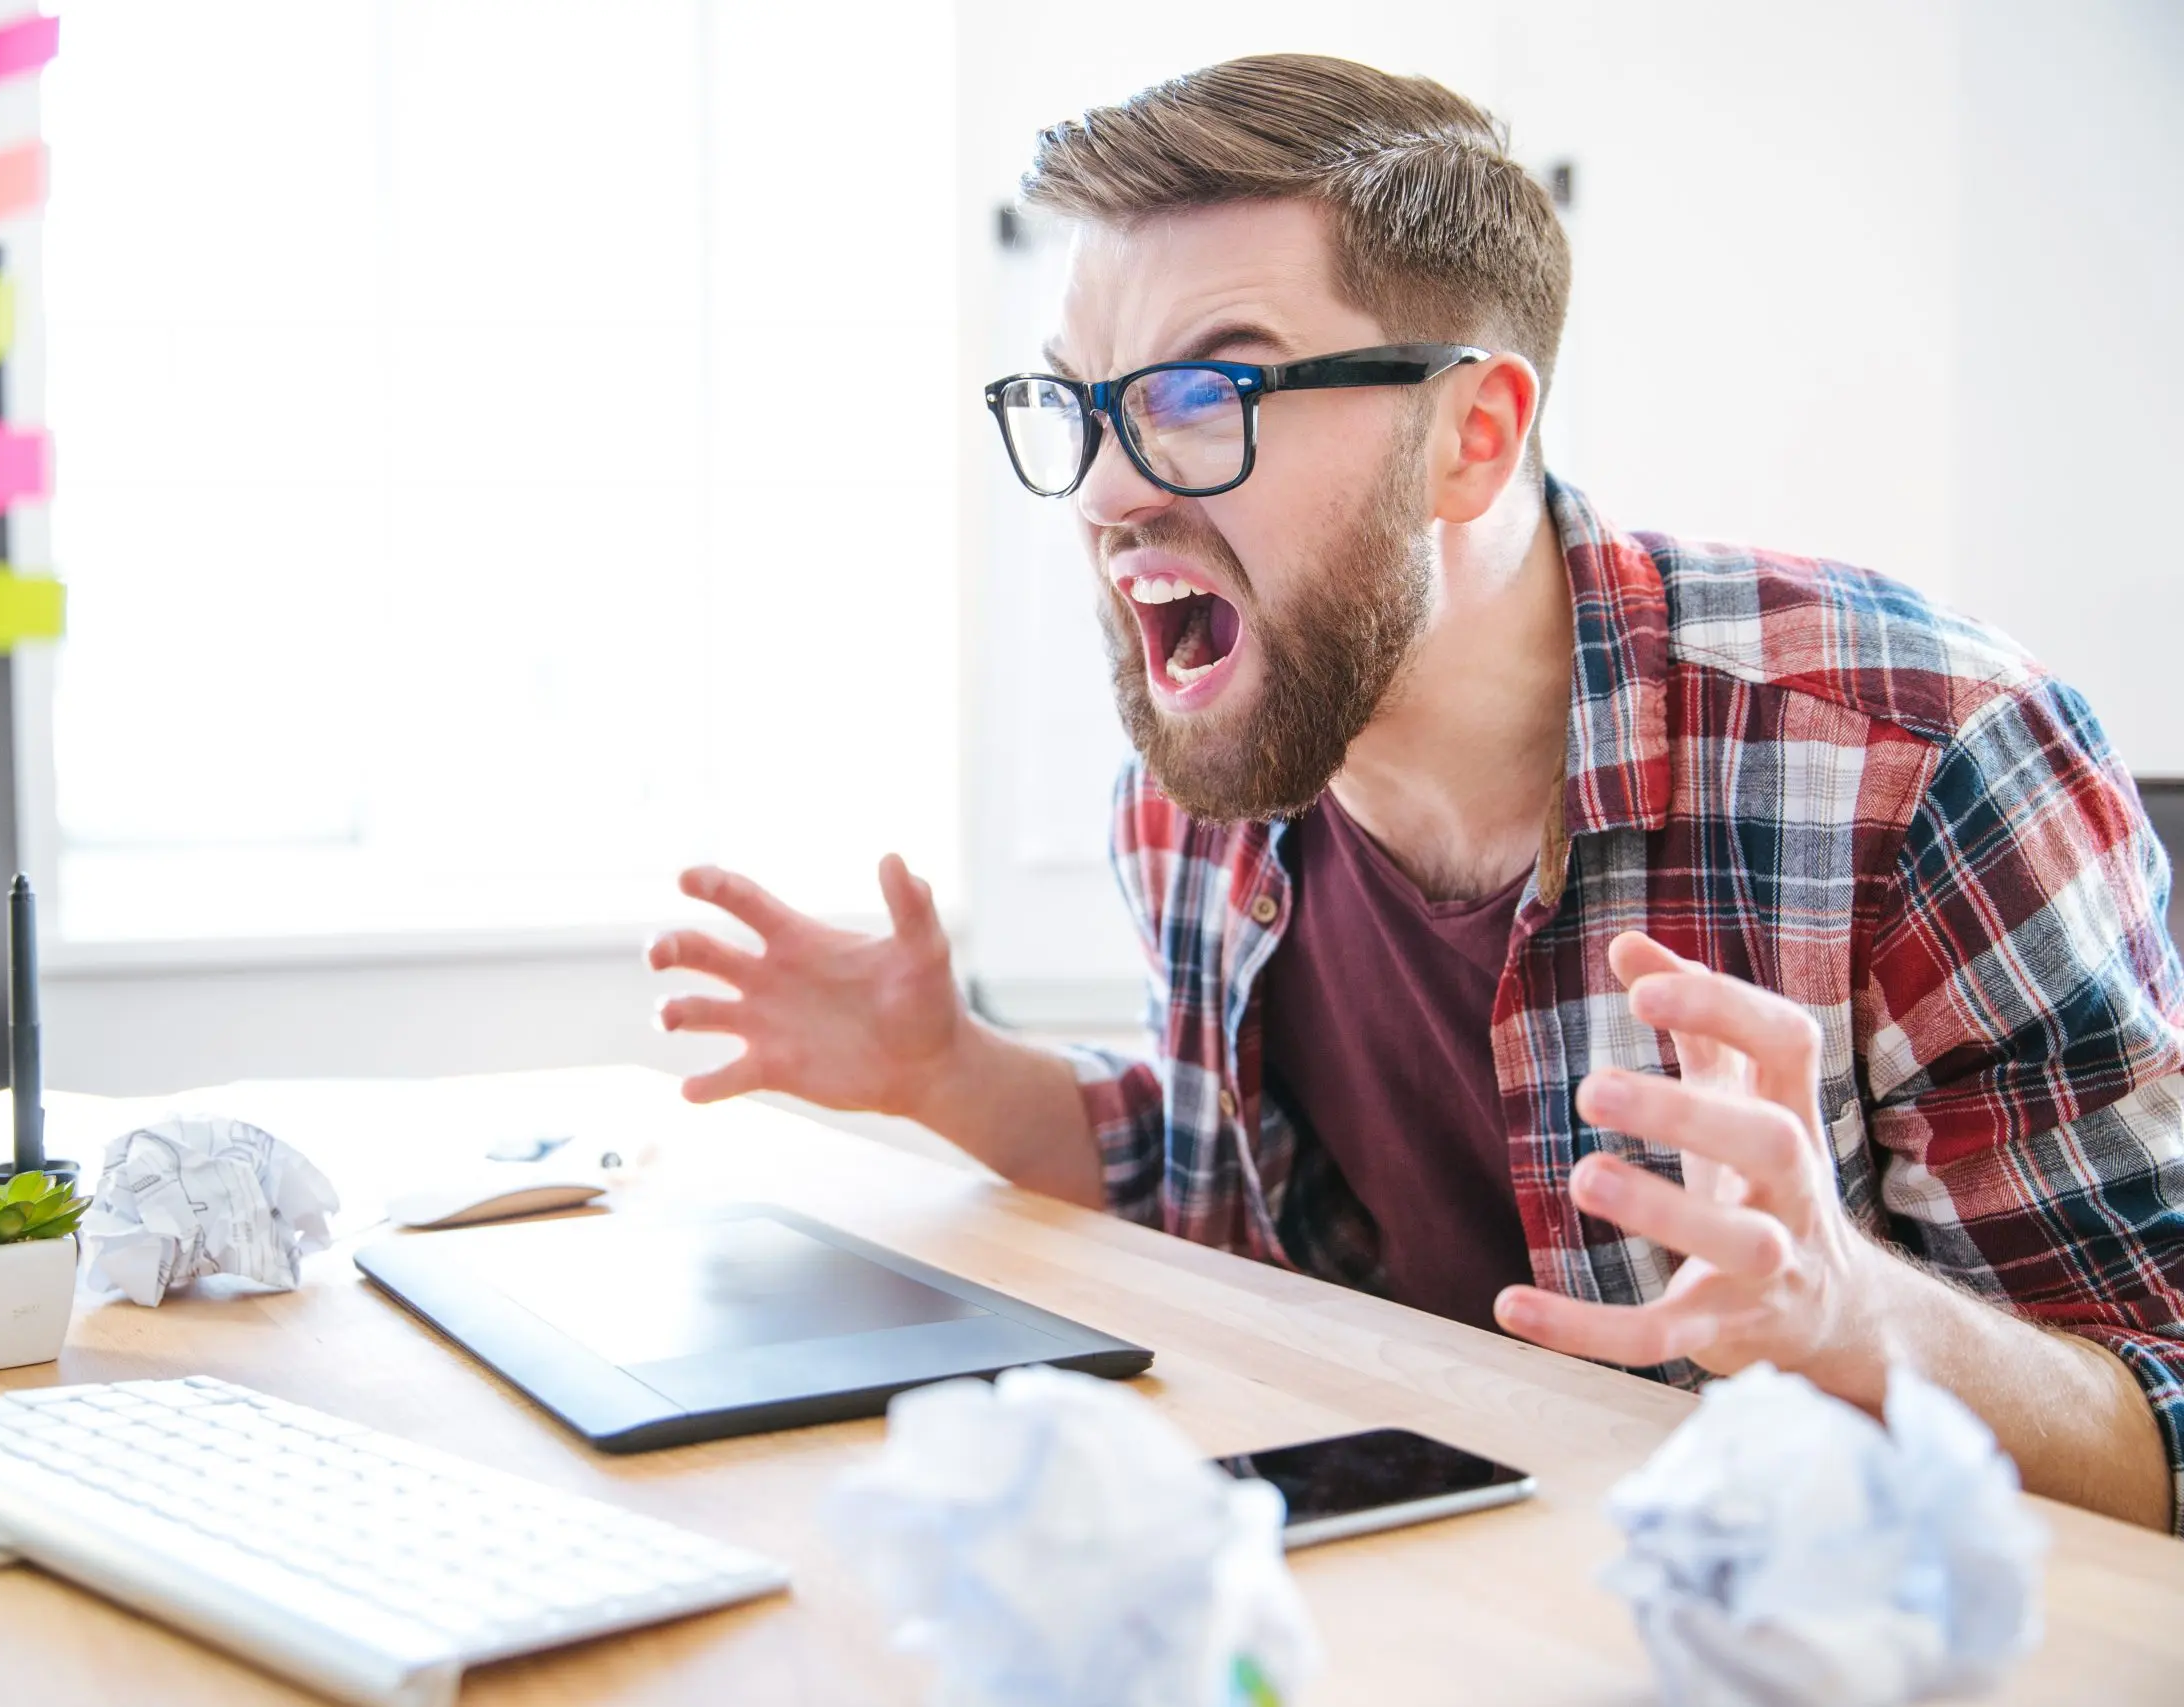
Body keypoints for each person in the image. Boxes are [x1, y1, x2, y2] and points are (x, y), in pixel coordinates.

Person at [644, 53, 2184, 1532]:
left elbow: (2161, 1422)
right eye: (1079, 403)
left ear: (1474, 435)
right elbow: (1209, 1180)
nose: (1109, 491)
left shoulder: (1923, 761)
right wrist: (947, 1069)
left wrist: (1861, 1317)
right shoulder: (1206, 777)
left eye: (1202, 388)